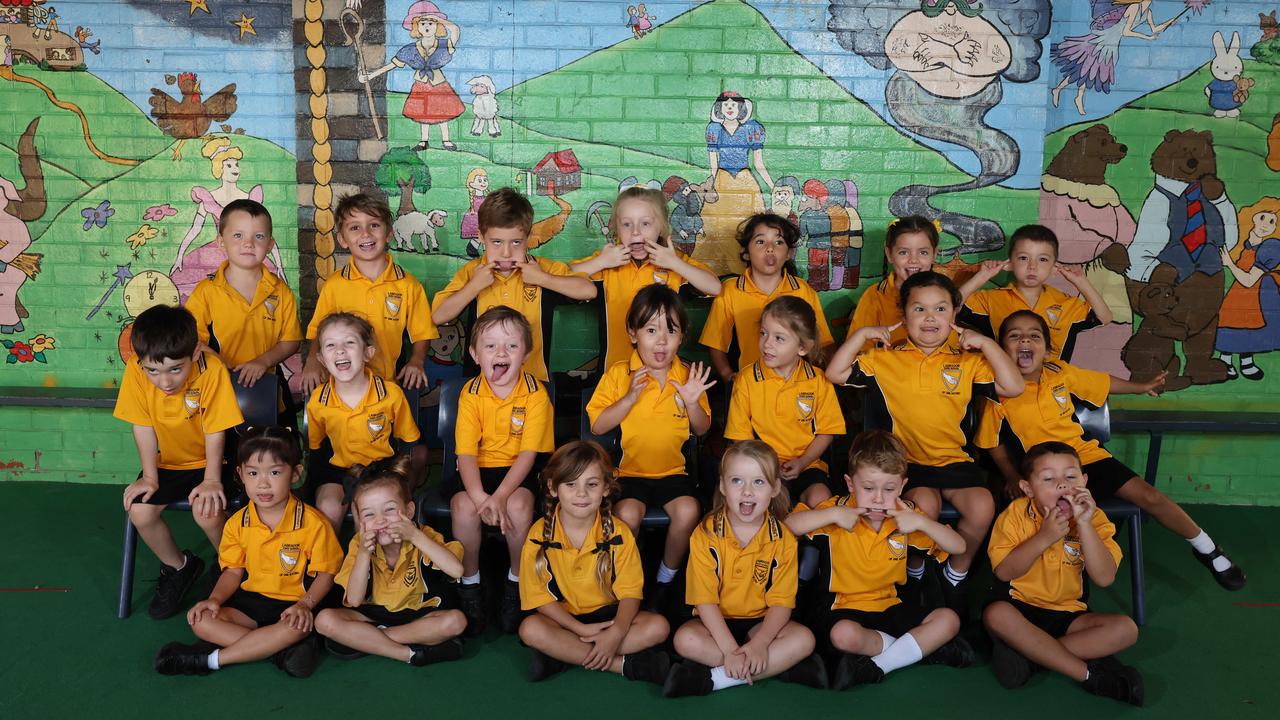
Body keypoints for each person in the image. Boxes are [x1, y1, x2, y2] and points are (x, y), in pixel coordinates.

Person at [980, 310, 1246, 590]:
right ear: (1001, 349)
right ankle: (1056, 581)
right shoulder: (995, 392)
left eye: (1034, 336)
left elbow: (1103, 382)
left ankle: (1207, 548)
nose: (1025, 340)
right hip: (1042, 469)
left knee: (1149, 496)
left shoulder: (1059, 372)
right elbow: (991, 441)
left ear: (1046, 350)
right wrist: (1010, 475)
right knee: (1061, 520)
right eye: (1015, 336)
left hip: (1084, 458)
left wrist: (1140, 387)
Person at [830, 272, 1024, 614]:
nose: (930, 317)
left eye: (940, 309)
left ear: (954, 316)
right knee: (923, 506)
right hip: (906, 466)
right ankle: (914, 572)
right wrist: (861, 335)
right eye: (919, 309)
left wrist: (988, 344)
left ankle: (955, 573)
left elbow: (1014, 387)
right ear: (903, 318)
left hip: (956, 464)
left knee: (982, 506)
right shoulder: (884, 359)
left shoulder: (968, 363)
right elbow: (835, 373)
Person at [785, 431, 972, 691]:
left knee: (948, 619)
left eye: (889, 489)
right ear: (851, 484)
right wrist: (833, 514)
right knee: (844, 636)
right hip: (842, 607)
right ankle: (918, 650)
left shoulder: (905, 516)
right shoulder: (837, 511)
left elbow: (959, 546)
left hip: (890, 605)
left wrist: (922, 521)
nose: (878, 498)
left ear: (902, 486)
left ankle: (879, 665)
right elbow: (787, 527)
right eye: (868, 488)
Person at [154, 427, 343, 678]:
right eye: (253, 473)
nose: (263, 483)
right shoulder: (236, 523)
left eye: (275, 472)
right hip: (250, 603)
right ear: (241, 474)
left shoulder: (313, 523)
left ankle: (210, 660)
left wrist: (304, 605)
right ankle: (279, 651)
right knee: (201, 620)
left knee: (296, 627)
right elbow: (233, 571)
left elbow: (326, 575)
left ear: (295, 473)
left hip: (293, 603)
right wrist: (215, 600)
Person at [983, 442, 1143, 705]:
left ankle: (1033, 657)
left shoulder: (1096, 519)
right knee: (996, 615)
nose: (1062, 484)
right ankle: (1090, 675)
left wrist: (1084, 524)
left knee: (1126, 629)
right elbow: (1004, 572)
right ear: (1027, 488)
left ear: (1085, 481)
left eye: (1071, 476)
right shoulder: (1015, 514)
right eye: (1048, 478)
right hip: (1018, 606)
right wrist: (1044, 537)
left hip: (1068, 614)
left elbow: (1104, 578)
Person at [664, 440, 826, 697]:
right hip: (713, 623)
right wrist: (730, 650)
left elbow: (781, 603)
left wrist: (760, 643)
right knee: (685, 640)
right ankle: (780, 668)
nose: (747, 492)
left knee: (805, 639)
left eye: (759, 482)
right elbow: (704, 601)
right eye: (737, 481)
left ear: (774, 488)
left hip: (760, 623)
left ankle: (712, 679)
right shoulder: (705, 534)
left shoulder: (782, 538)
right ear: (722, 486)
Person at [586, 285, 714, 611]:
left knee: (688, 511)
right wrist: (628, 398)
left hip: (674, 474)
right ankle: (628, 580)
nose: (660, 341)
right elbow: (598, 426)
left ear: (682, 337)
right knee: (627, 513)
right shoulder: (619, 374)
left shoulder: (688, 375)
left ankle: (664, 580)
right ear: (632, 333)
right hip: (629, 473)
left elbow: (702, 428)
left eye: (670, 331)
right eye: (651, 330)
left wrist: (692, 402)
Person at [114, 304, 244, 620]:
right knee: (141, 511)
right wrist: (150, 476)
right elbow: (142, 425)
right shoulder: (135, 369)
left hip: (216, 459)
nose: (165, 381)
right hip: (170, 462)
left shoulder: (210, 368)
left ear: (194, 354)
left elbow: (216, 430)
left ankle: (236, 570)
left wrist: (212, 480)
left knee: (207, 511)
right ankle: (179, 567)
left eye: (175, 369)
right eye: (153, 371)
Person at [517, 441, 671, 684]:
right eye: (570, 484)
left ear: (606, 488)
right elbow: (538, 598)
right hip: (565, 621)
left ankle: (563, 655)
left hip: (610, 618)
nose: (581, 494)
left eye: (592, 484)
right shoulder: (539, 535)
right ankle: (623, 665)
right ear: (553, 487)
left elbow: (631, 592)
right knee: (530, 629)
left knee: (658, 627)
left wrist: (617, 631)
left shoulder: (618, 532)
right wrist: (579, 630)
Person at [449, 307, 554, 635]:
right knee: (462, 507)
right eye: (491, 346)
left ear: (526, 353)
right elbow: (465, 454)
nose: (501, 353)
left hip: (518, 471)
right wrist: (481, 497)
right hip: (478, 470)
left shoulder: (536, 395)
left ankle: (517, 583)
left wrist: (501, 496)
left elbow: (527, 456)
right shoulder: (471, 394)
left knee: (520, 506)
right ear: (475, 354)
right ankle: (471, 585)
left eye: (511, 345)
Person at [315, 456, 467, 666]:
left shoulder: (423, 535)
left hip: (418, 615)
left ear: (410, 511)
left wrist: (415, 537)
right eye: (369, 514)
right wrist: (364, 554)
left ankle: (366, 641)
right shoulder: (359, 544)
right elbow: (356, 599)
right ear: (360, 521)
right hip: (371, 614)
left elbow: (457, 571)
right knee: (324, 621)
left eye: (389, 510)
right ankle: (408, 655)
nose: (380, 521)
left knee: (455, 622)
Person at [433, 187, 596, 382]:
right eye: (497, 242)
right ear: (481, 237)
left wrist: (543, 279)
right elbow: (438, 316)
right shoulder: (472, 273)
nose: (506, 252)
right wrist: (474, 286)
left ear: (528, 238)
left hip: (533, 383)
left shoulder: (540, 268)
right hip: (481, 387)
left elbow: (589, 290)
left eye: (516, 242)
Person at [572, 186, 720, 371]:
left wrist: (676, 264)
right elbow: (565, 275)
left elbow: (715, 288)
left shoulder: (674, 261)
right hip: (614, 377)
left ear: (661, 227)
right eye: (627, 224)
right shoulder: (608, 261)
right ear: (616, 229)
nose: (635, 232)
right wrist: (601, 262)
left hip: (662, 377)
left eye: (645, 224)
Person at [301, 192, 437, 394]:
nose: (365, 234)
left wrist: (416, 361)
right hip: (341, 386)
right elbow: (317, 330)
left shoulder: (408, 285)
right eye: (355, 228)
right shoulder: (335, 285)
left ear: (389, 233)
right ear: (343, 239)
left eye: (374, 225)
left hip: (387, 385)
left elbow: (423, 332)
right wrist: (312, 360)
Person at [185, 198, 301, 422]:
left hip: (270, 389)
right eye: (238, 235)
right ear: (221, 242)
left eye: (258, 236)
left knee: (275, 454)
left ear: (270, 244)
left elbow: (291, 341)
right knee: (229, 454)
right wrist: (226, 366)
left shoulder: (280, 291)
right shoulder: (206, 292)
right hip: (221, 390)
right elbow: (192, 343)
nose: (248, 243)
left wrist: (262, 362)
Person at [725, 296, 844, 510]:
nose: (767, 343)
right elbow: (739, 440)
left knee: (822, 500)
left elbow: (828, 431)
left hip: (808, 465)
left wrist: (803, 461)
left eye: (779, 338)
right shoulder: (746, 380)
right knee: (768, 505)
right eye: (763, 333)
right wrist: (767, 466)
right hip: (760, 469)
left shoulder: (818, 381)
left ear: (802, 347)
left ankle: (809, 543)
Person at [306, 312, 421, 531]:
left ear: (368, 353)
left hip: (382, 470)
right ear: (321, 359)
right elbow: (317, 449)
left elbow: (408, 443)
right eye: (330, 345)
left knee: (370, 515)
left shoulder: (391, 394)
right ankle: (329, 564)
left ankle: (376, 564)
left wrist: (396, 482)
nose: (340, 350)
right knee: (328, 508)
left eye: (349, 342)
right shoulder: (318, 401)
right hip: (337, 472)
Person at [701, 213, 832, 383]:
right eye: (761, 241)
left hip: (793, 385)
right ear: (746, 253)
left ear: (788, 254)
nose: (770, 248)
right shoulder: (731, 290)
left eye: (779, 242)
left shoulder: (803, 291)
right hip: (750, 386)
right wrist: (729, 377)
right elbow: (715, 344)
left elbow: (823, 344)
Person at [959, 224, 1113, 362]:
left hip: (1052, 389)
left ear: (1054, 268)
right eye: (1024, 258)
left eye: (1043, 259)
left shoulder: (1066, 304)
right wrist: (982, 276)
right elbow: (953, 307)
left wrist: (1081, 281)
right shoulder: (990, 300)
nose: (1032, 266)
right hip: (1005, 386)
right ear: (1009, 264)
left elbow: (1104, 317)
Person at [170, 138, 284, 300]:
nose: (235, 168)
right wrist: (180, 255)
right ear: (219, 168)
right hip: (216, 253)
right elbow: (195, 229)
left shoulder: (249, 199)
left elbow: (263, 234)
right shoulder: (209, 198)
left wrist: (279, 264)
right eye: (229, 165)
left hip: (246, 253)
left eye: (236, 164)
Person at [361, 2, 464, 151]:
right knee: (423, 113)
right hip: (421, 84)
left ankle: (446, 140)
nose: (427, 26)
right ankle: (423, 141)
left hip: (439, 84)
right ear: (416, 27)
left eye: (431, 23)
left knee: (443, 111)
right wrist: (371, 75)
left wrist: (437, 17)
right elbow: (392, 65)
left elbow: (455, 29)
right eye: (422, 23)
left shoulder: (444, 44)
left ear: (437, 26)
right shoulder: (410, 49)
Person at [702, 92, 773, 273]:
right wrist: (712, 184)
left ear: (741, 108)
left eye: (734, 105)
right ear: (719, 109)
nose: (730, 108)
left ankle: (745, 269)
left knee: (749, 225)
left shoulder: (751, 129)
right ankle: (716, 269)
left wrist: (772, 187)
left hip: (745, 181)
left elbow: (758, 163)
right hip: (722, 180)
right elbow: (713, 164)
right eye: (726, 105)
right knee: (716, 225)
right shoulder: (714, 129)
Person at [848, 216, 940, 350]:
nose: (913, 260)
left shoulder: (946, 294)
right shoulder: (875, 296)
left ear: (934, 254)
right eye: (903, 252)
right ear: (889, 254)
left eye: (923, 252)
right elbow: (857, 351)